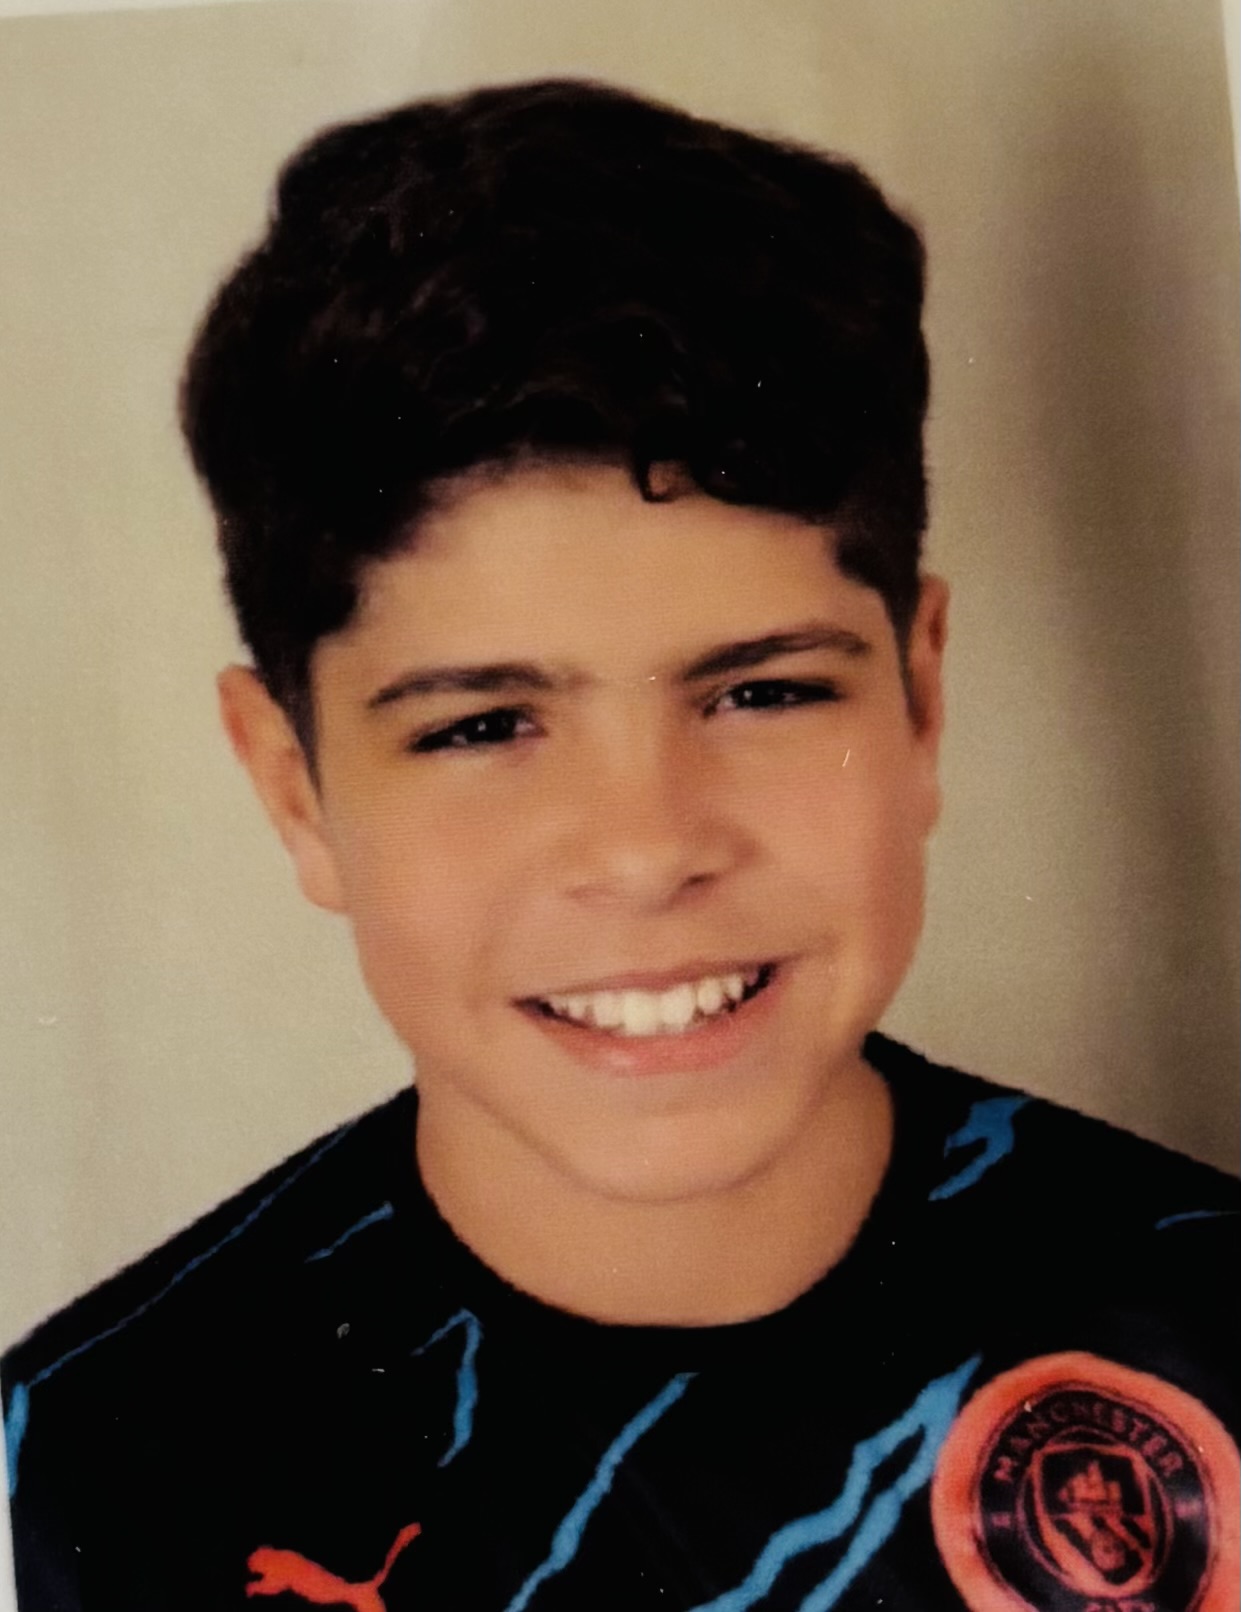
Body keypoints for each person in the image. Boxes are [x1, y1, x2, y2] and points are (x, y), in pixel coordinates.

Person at [2, 78, 1236, 1612]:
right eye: (480, 726)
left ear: (920, 700)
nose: (647, 851)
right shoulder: (85, 1482)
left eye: (762, 693)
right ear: (293, 788)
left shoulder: (1215, 1324)